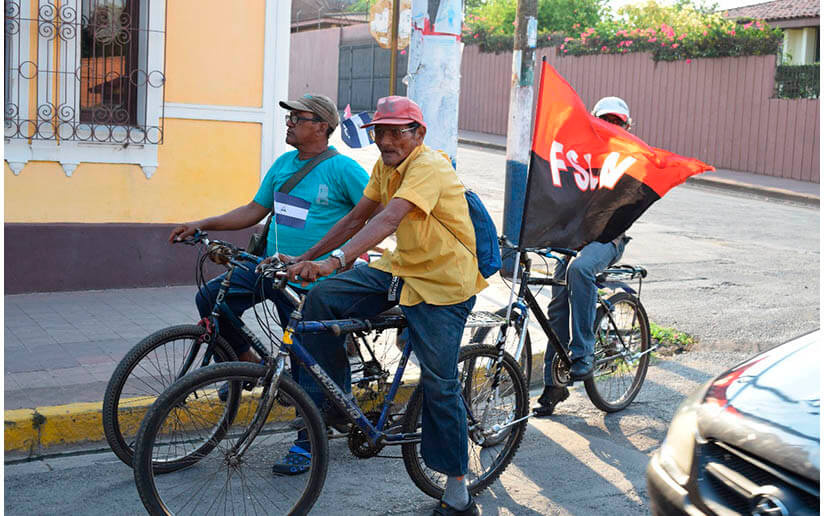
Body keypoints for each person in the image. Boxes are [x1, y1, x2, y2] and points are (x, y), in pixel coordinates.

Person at [276, 96, 486, 516]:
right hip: (401, 269)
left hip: (443, 283)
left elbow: (388, 219)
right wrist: (309, 260)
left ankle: (458, 483)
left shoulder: (429, 166)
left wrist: (335, 261)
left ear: (418, 134)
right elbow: (356, 219)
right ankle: (338, 404)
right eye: (380, 133)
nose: (386, 141)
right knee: (321, 301)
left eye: (396, 132)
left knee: (440, 381)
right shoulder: (384, 167)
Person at [168, 94, 369, 365]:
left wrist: (346, 258)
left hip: (310, 278)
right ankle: (243, 362)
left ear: (322, 126)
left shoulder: (344, 168)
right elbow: (253, 210)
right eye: (290, 117)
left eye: (298, 118)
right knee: (210, 297)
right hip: (272, 268)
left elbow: (373, 215)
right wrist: (201, 224)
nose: (290, 123)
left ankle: (319, 401)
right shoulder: (283, 164)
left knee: (309, 362)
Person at [533, 96, 634, 417]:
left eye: (617, 122)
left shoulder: (630, 159)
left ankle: (583, 353)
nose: (611, 127)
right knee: (557, 301)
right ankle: (554, 384)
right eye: (606, 121)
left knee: (579, 272)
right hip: (575, 239)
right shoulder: (580, 155)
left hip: (607, 240)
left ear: (627, 126)